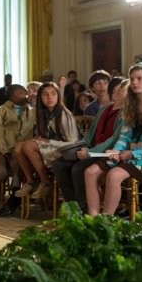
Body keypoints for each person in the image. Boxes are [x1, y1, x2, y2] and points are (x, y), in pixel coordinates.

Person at [84, 62, 142, 216]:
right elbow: (124, 137)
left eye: (139, 78)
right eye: (132, 79)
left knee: (114, 175)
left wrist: (132, 154)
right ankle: (93, 220)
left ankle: (106, 221)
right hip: (128, 153)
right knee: (90, 172)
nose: (134, 82)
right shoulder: (130, 106)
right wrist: (116, 151)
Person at [52, 78, 128, 214]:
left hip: (105, 153)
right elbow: (91, 133)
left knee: (78, 168)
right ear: (117, 90)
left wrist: (89, 152)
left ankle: (85, 211)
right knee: (59, 164)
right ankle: (73, 207)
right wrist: (80, 145)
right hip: (92, 148)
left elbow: (113, 140)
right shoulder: (104, 109)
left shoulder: (125, 114)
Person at [14, 82, 80, 199]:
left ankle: (46, 183)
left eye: (53, 94)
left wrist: (47, 141)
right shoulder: (43, 113)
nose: (50, 97)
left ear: (58, 96)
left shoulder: (64, 115)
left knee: (29, 145)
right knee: (19, 146)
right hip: (52, 149)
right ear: (40, 97)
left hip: (67, 151)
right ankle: (31, 182)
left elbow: (72, 143)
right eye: (45, 94)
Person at [0, 84, 35, 216]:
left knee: (18, 167)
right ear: (16, 94)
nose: (28, 96)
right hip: (1, 148)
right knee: (1, 172)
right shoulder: (0, 111)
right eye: (26, 93)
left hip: (20, 149)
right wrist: (5, 152)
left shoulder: (31, 111)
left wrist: (36, 103)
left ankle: (15, 196)